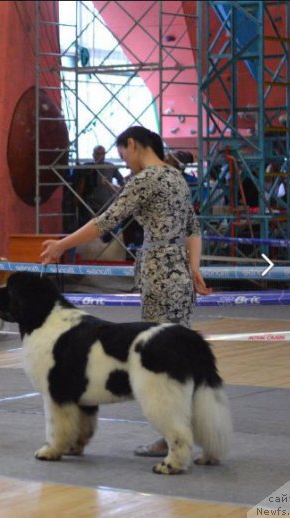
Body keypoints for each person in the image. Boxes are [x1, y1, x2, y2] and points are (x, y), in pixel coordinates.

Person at [40, 126, 213, 458]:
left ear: (133, 144)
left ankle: (171, 439)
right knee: (180, 356)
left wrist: (62, 244)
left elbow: (106, 221)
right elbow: (193, 227)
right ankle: (199, 437)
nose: (126, 163)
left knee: (162, 363)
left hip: (157, 274)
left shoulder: (146, 179)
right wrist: (193, 267)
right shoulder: (176, 176)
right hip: (178, 275)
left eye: (124, 154)